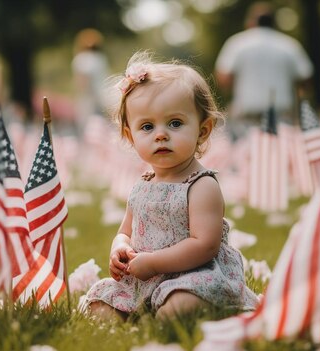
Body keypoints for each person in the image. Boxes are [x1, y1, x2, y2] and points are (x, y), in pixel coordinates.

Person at [82, 52, 259, 320]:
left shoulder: (201, 185)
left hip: (193, 276)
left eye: (175, 123)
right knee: (97, 304)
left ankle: (169, 313)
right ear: (130, 135)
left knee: (180, 305)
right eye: (147, 126)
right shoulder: (142, 185)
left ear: (203, 130)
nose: (161, 134)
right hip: (144, 280)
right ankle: (138, 313)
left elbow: (205, 245)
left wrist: (154, 262)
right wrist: (119, 247)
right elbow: (125, 231)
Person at [214, 2, 313, 140]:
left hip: (247, 116)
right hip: (282, 116)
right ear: (274, 23)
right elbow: (306, 79)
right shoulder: (289, 45)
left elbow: (223, 79)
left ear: (252, 22)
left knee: (245, 157)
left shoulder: (237, 43)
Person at [71, 28, 110, 134]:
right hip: (102, 96)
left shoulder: (81, 58)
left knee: (87, 126)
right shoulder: (101, 58)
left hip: (89, 97)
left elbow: (82, 82)